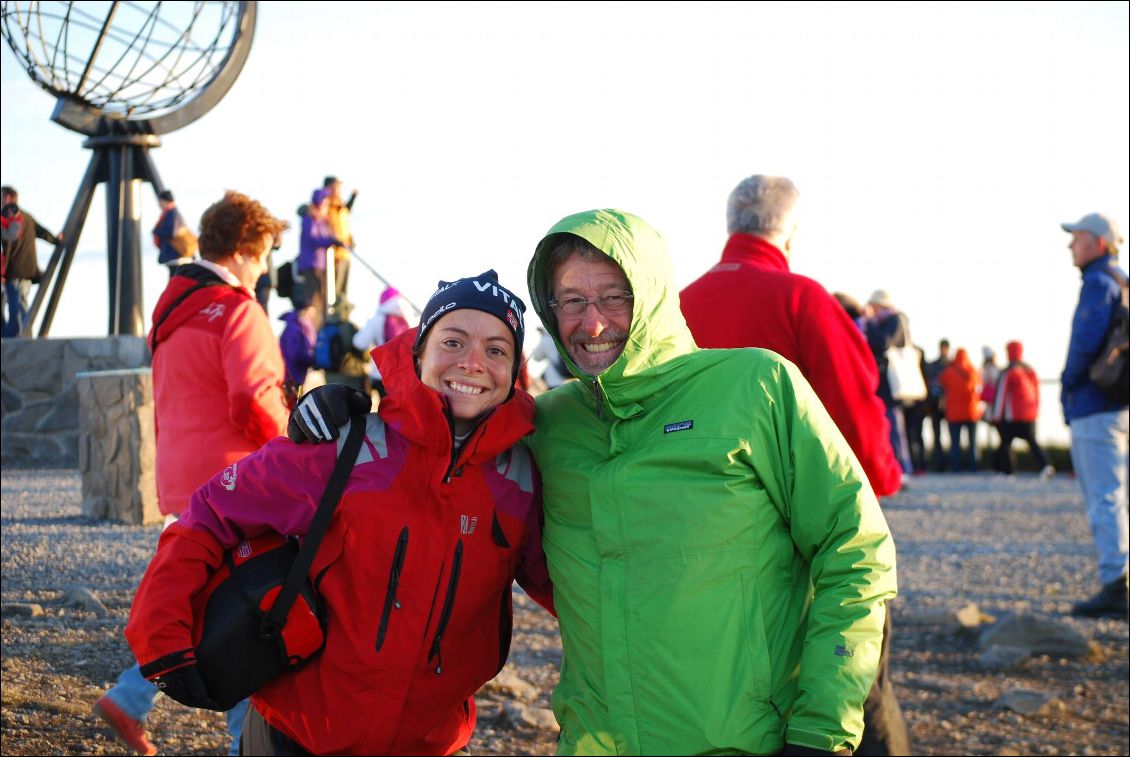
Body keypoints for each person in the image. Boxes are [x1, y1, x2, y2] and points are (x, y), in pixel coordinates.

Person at [294, 210, 898, 755]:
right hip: (595, 742)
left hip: (743, 740)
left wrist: (821, 729)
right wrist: (353, 412)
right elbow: (446, 438)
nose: (593, 322)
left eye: (615, 297)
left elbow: (855, 549)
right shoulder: (547, 423)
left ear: (655, 296)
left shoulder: (756, 385)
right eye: (571, 300)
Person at [123, 269, 554, 755]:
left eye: (496, 349)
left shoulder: (521, 481)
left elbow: (573, 586)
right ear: (418, 351)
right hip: (297, 733)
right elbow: (208, 514)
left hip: (428, 744)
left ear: (514, 368)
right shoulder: (344, 447)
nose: (473, 362)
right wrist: (160, 636)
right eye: (453, 341)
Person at [680, 174, 907, 755]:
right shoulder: (802, 298)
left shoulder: (678, 304)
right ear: (790, 231)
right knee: (851, 673)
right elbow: (856, 410)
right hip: (797, 527)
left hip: (697, 535)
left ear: (731, 225)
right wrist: (881, 483)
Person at [93, 190, 291, 756]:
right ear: (244, 249)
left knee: (199, 600)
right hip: (238, 486)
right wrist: (296, 455)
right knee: (250, 612)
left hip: (185, 481)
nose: (264, 268)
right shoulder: (236, 309)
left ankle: (128, 699)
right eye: (264, 254)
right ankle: (244, 743)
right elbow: (254, 401)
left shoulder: (173, 311)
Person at [1059, 212, 1128, 619]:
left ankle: (1116, 585)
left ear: (1099, 243)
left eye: (1078, 238)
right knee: (1119, 495)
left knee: (1104, 497)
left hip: (1095, 405)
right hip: (1120, 403)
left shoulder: (1098, 284)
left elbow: (1084, 343)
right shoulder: (1122, 282)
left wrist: (1068, 385)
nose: (1071, 245)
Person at [864, 289, 916, 475]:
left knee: (894, 425)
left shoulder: (895, 319)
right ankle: (897, 468)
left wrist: (869, 323)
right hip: (884, 381)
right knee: (889, 425)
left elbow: (882, 342)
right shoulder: (884, 321)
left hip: (892, 382)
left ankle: (902, 468)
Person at [1, 185, 61, 338]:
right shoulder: (27, 217)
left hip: (14, 271)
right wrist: (55, 240)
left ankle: (15, 341)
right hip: (27, 271)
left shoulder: (6, 218)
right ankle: (21, 338)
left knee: (16, 308)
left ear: (7, 197)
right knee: (20, 305)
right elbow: (41, 232)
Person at [991, 340, 1053, 478]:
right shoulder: (1030, 371)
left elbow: (1001, 395)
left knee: (1006, 443)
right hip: (1029, 414)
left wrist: (996, 416)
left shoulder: (1008, 372)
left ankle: (1008, 471)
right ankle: (1046, 466)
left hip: (1011, 415)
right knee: (1032, 442)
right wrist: (1036, 410)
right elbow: (1037, 393)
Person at [352, 285, 412, 398]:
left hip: (381, 374)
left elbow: (359, 343)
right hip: (406, 375)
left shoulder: (378, 317)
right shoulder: (410, 316)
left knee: (385, 409)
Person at [297, 189, 343, 329]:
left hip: (321, 265)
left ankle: (318, 328)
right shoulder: (309, 219)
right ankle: (312, 329)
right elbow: (313, 239)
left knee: (322, 299)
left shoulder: (323, 221)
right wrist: (330, 241)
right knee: (313, 300)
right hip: (311, 264)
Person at [938, 347, 982, 472]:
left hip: (954, 412)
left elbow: (940, 385)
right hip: (971, 411)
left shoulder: (948, 371)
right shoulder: (973, 370)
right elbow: (978, 387)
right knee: (972, 442)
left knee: (955, 443)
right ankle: (973, 466)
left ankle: (955, 467)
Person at [323, 176, 355, 302]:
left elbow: (344, 227)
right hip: (334, 256)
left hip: (345, 254)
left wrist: (351, 240)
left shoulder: (341, 208)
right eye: (337, 187)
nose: (339, 190)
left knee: (343, 291)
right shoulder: (326, 207)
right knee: (334, 291)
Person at [152, 189, 194, 278]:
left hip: (176, 255)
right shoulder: (172, 213)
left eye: (160, 201)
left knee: (175, 280)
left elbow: (171, 232)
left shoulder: (172, 213)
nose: (159, 204)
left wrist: (156, 231)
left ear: (164, 201)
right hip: (175, 256)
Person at [923, 339, 951, 471]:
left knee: (951, 436)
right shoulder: (934, 365)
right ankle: (939, 463)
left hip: (949, 405)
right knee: (937, 435)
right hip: (935, 405)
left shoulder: (951, 365)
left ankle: (950, 462)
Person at [279, 297, 318, 393]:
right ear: (304, 311)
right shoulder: (295, 329)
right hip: (291, 376)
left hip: (296, 375)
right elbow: (295, 354)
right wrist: (314, 359)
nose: (313, 316)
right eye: (311, 312)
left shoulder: (302, 327)